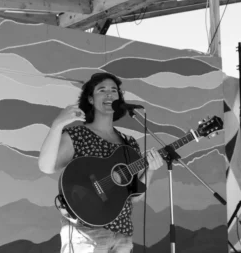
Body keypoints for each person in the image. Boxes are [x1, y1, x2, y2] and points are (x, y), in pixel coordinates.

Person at [38, 72, 164, 253]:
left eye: (114, 90)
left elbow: (134, 196)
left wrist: (150, 170)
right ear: (90, 99)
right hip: (85, 233)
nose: (109, 94)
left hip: (122, 233)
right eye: (102, 90)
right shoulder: (79, 135)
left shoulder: (129, 143)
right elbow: (46, 166)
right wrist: (58, 124)